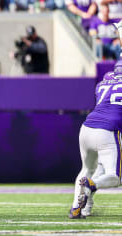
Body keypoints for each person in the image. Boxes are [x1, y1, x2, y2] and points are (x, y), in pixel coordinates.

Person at [73, 19, 122, 218]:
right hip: (107, 130)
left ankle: (80, 208)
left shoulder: (104, 82)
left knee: (86, 169)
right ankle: (91, 186)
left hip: (86, 128)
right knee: (114, 177)